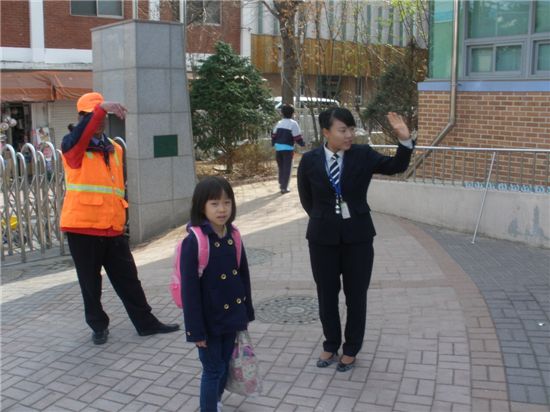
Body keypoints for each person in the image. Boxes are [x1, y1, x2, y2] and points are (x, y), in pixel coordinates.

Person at [297, 107, 414, 372]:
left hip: (358, 238)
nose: (350, 134)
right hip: (322, 239)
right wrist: (325, 218)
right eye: (343, 130)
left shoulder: (363, 155)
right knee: (326, 294)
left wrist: (405, 140)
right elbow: (307, 199)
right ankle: (330, 344)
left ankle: (351, 349)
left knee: (356, 295)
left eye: (352, 129)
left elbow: (396, 166)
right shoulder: (310, 160)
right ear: (326, 132)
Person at [60, 92, 179, 345]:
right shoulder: (72, 146)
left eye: (102, 114)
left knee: (129, 279)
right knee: (90, 284)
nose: (99, 120)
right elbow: (78, 140)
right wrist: (101, 109)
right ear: (81, 117)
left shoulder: (114, 149)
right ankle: (98, 326)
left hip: (112, 228)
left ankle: (146, 323)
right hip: (83, 228)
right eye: (91, 115)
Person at [180, 176, 255, 412]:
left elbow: (243, 275)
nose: (222, 209)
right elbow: (189, 291)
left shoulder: (233, 235)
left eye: (227, 202)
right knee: (212, 369)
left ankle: (216, 401)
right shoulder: (195, 242)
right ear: (201, 206)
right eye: (214, 203)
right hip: (208, 322)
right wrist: (195, 330)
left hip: (231, 316)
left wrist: (246, 311)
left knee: (224, 364)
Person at [271, 104, 305, 194]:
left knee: (281, 167)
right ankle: (284, 187)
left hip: (278, 148)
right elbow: (297, 136)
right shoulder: (293, 123)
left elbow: (273, 135)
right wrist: (302, 144)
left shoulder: (279, 123)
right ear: (293, 113)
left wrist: (273, 143)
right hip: (288, 149)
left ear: (282, 113)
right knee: (287, 168)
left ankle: (281, 182)